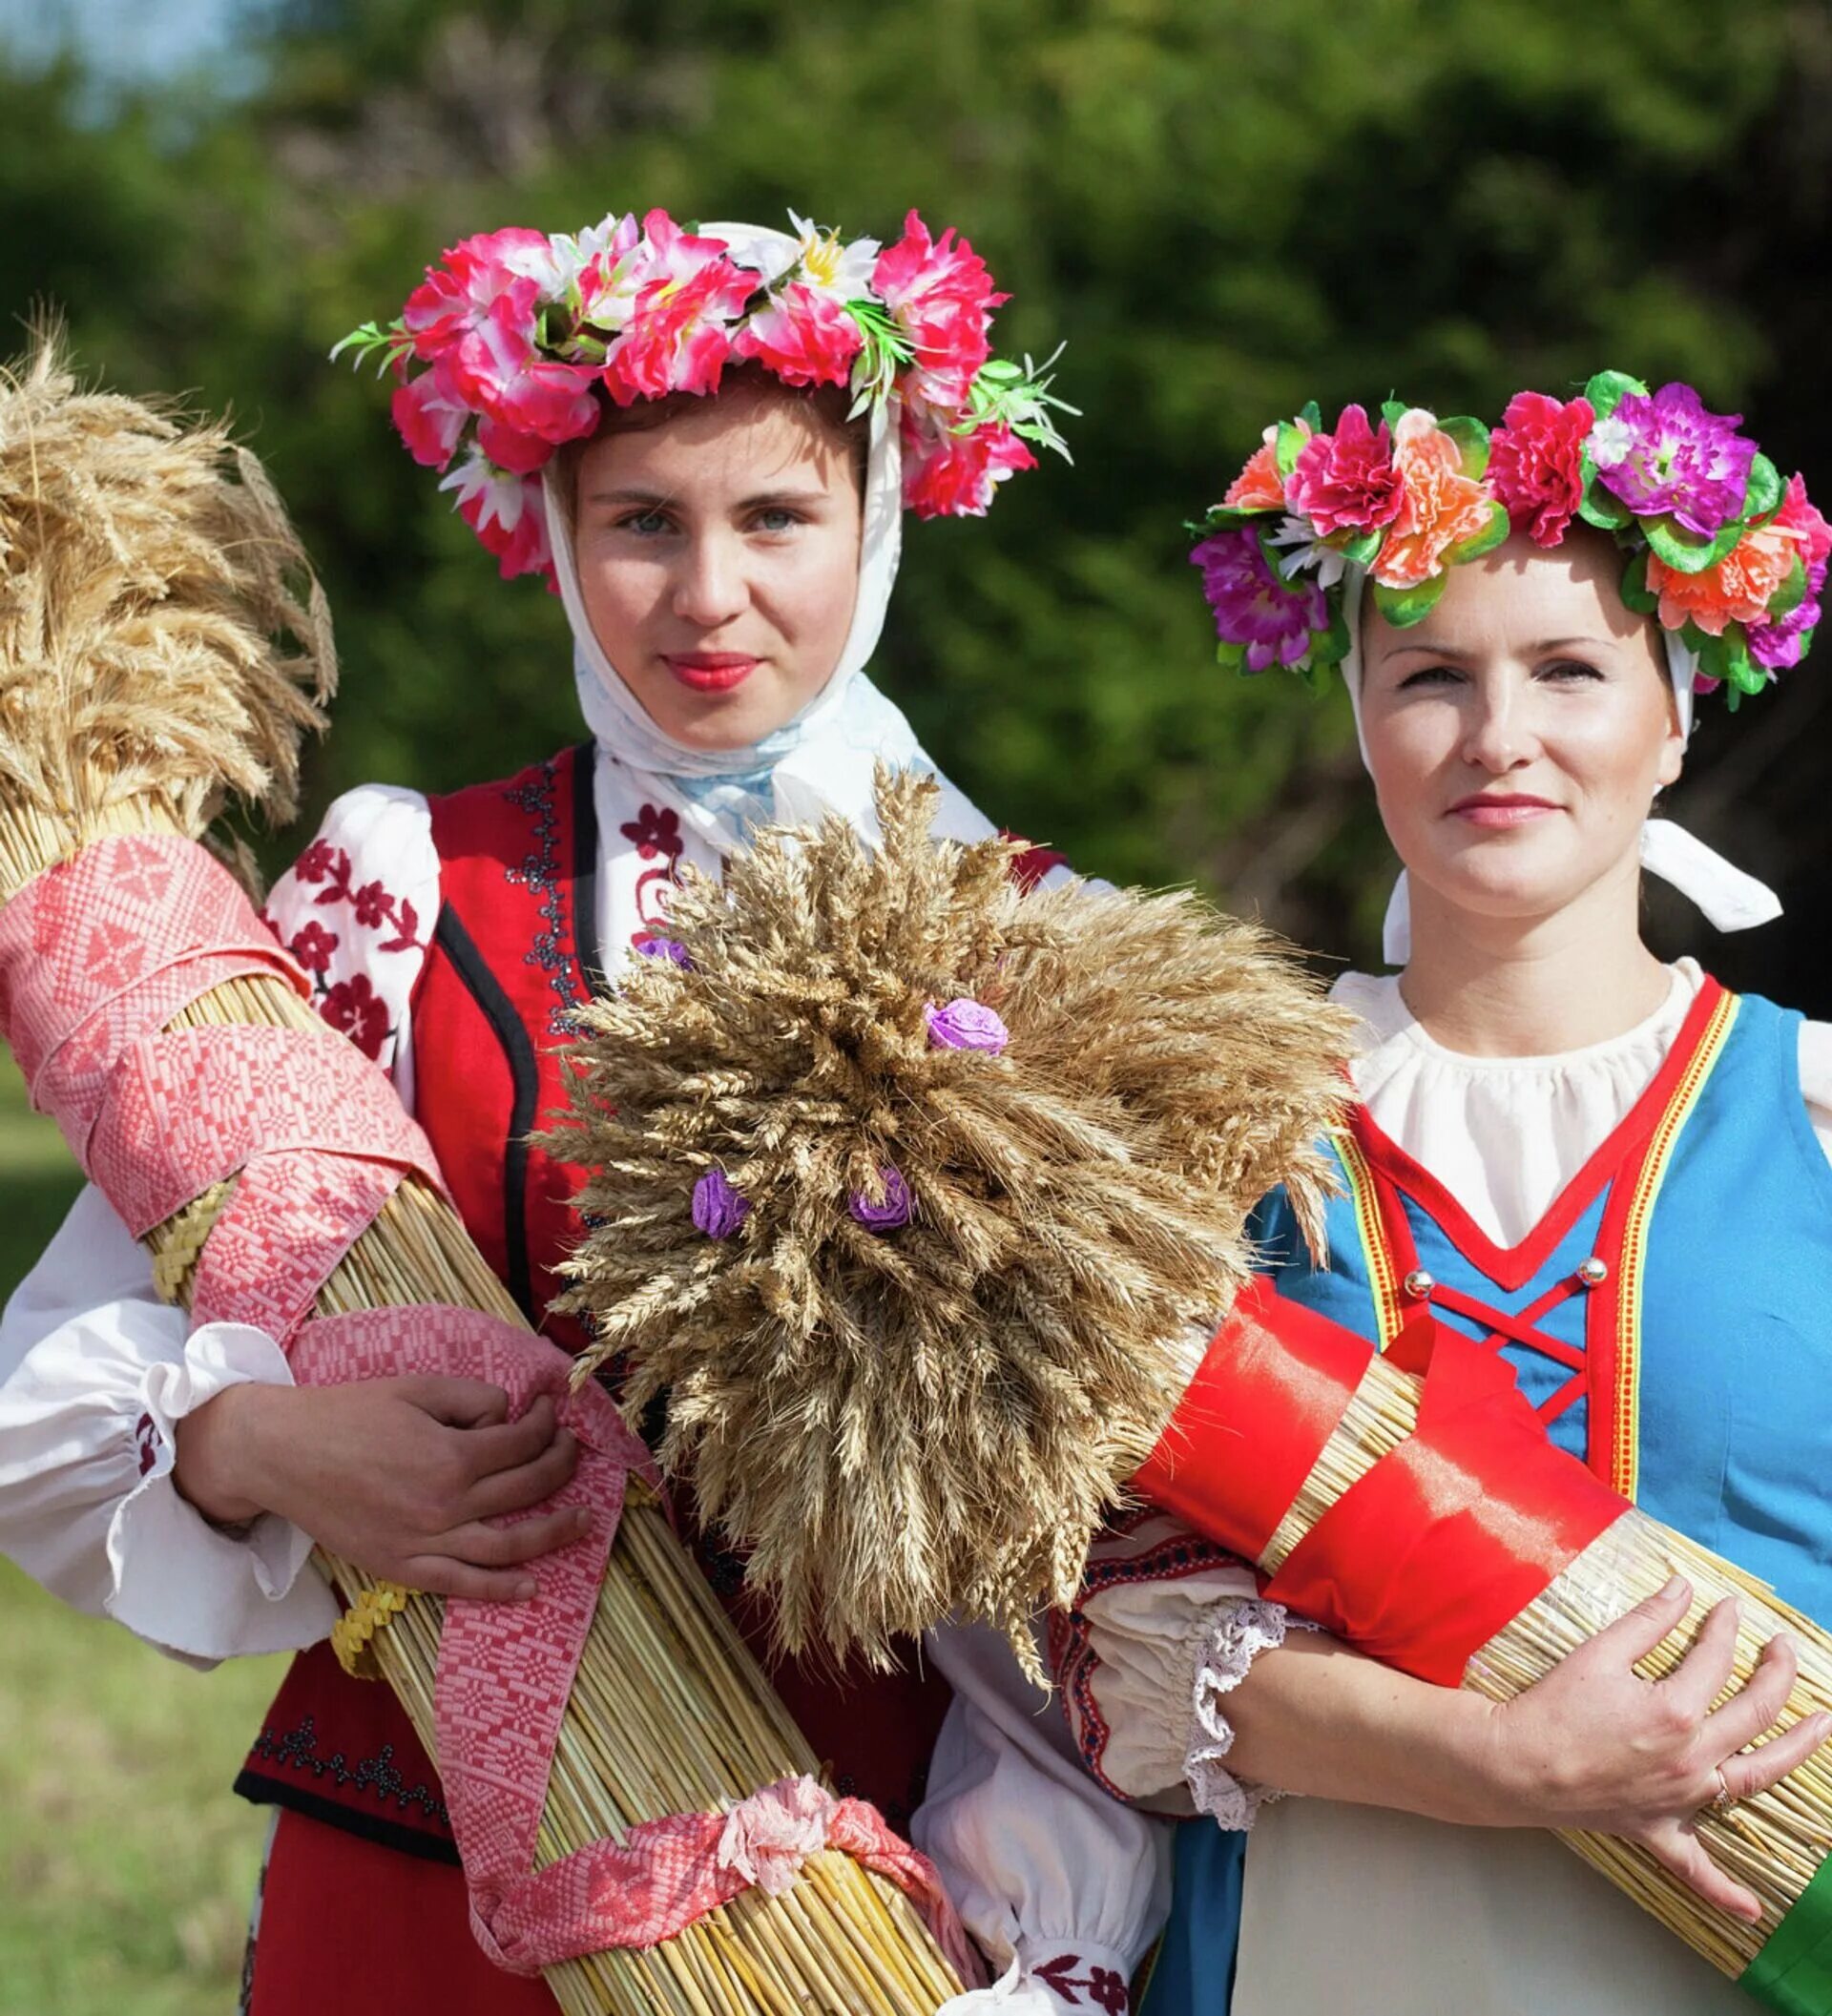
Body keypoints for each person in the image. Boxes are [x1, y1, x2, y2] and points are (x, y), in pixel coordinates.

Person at [0, 207, 1076, 2015]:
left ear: (880, 522)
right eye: (643, 520)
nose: (709, 592)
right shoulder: (410, 887)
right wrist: (257, 1448)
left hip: (876, 1916)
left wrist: (1038, 1953)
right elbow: (48, 1379)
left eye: (778, 518)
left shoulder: (1047, 951)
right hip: (421, 1884)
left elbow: (1096, 1562)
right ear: (558, 541)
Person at [913, 378, 1832, 2014]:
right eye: (1429, 678)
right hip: (1311, 1953)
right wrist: (1503, 1759)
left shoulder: (1821, 1116)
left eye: (1569, 670)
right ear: (1357, 718)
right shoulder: (1205, 1120)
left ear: (1677, 714)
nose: (1498, 736)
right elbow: (1108, 1642)